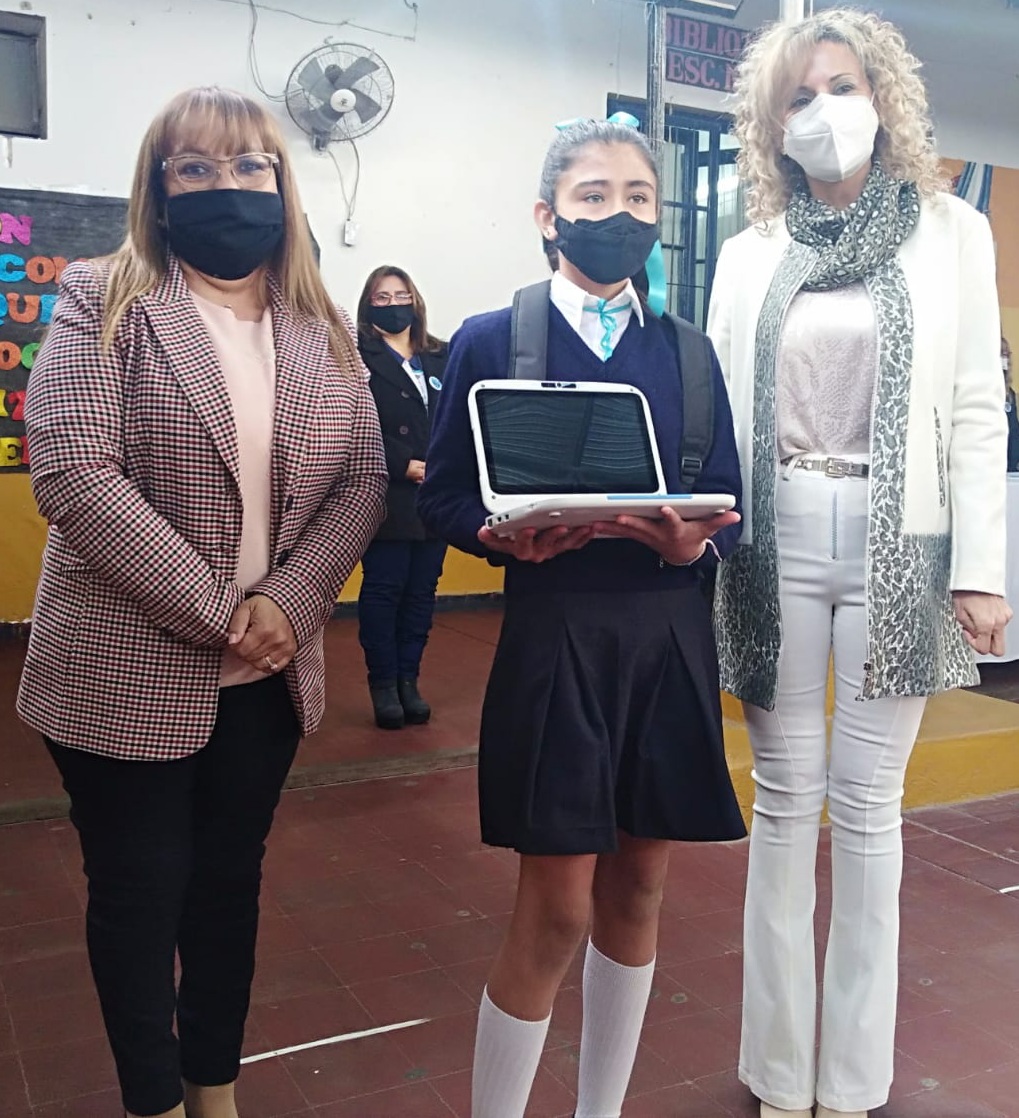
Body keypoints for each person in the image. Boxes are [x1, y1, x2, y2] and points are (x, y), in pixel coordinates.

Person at [16, 87, 386, 1118]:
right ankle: (155, 1100)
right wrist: (223, 612)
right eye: (198, 167)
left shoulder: (324, 324)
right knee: (140, 896)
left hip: (267, 677)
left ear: (282, 182)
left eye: (249, 166)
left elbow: (363, 479)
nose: (228, 186)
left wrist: (293, 602)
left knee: (227, 890)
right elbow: (75, 472)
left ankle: (212, 1087)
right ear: (161, 188)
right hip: (121, 668)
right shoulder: (104, 298)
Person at [706, 11, 1012, 1118]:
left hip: (901, 541)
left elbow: (974, 407)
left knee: (870, 811)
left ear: (882, 98)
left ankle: (850, 1079)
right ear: (771, 124)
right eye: (798, 96)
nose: (822, 111)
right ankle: (778, 1071)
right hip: (773, 537)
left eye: (841, 86)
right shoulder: (749, 250)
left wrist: (981, 567)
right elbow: (714, 411)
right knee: (785, 803)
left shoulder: (950, 231)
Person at [418, 116, 747, 1118]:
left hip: (666, 634)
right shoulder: (492, 339)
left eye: (637, 197)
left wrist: (694, 545)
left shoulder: (688, 354)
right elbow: (443, 496)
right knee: (557, 907)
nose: (617, 214)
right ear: (547, 215)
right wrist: (497, 535)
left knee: (638, 889)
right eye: (593, 196)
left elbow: (729, 501)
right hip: (554, 630)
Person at [355, 266, 448, 728]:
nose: (393, 305)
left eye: (401, 295)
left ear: (415, 300)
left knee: (421, 594)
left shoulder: (441, 355)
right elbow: (353, 421)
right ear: (368, 305)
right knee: (384, 591)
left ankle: (410, 680)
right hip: (387, 494)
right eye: (382, 298)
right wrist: (402, 463)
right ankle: (384, 684)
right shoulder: (355, 356)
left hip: (435, 496)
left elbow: (461, 414)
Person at [1003, 336, 1019, 472]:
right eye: (1002, 354)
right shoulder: (987, 392)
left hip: (1010, 467)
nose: (1005, 359)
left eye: (1007, 354)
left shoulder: (1010, 394)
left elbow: (1014, 430)